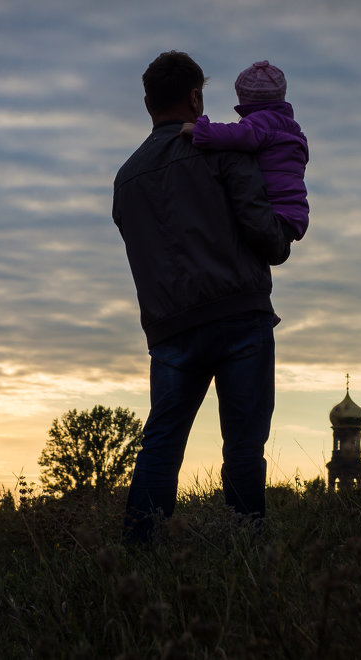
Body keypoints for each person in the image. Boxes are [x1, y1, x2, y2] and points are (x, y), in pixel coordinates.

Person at [112, 51, 295, 544]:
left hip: (171, 330)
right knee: (242, 447)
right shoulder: (222, 149)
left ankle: (139, 556)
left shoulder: (126, 178)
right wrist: (283, 237)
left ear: (148, 103)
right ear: (195, 97)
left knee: (162, 444)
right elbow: (263, 231)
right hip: (239, 317)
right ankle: (246, 549)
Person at [181, 60, 310, 241]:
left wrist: (201, 130)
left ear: (245, 101)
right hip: (295, 214)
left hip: (274, 215)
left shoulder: (262, 124)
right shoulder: (293, 129)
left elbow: (235, 135)